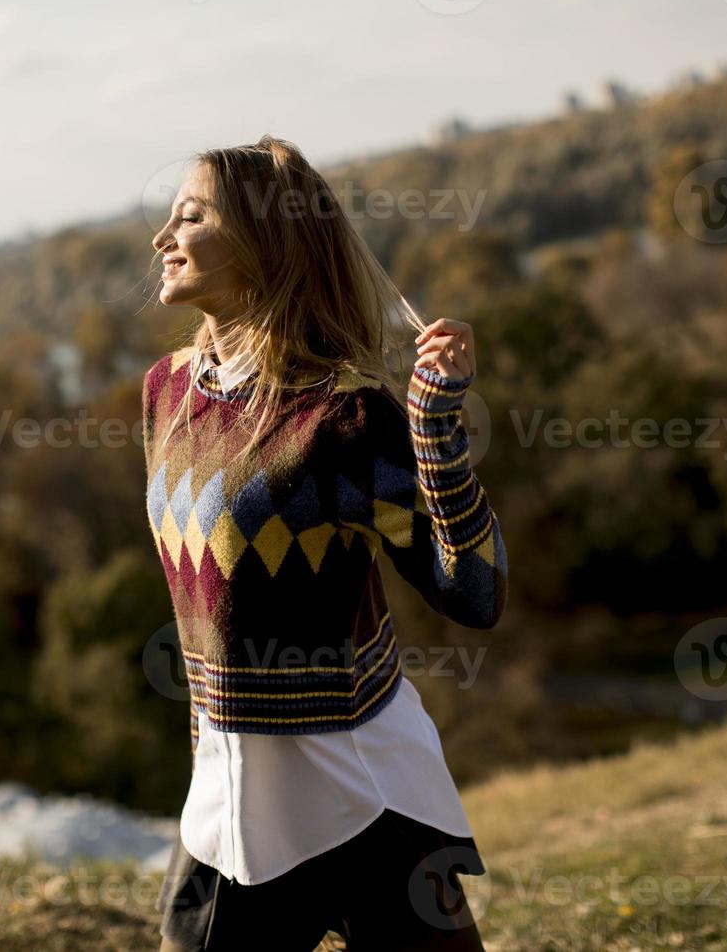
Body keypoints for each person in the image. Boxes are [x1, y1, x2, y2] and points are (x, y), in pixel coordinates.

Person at [142, 135, 508, 952]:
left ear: (263, 243)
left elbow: (475, 593)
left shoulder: (344, 419)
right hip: (228, 793)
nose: (162, 237)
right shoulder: (165, 392)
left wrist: (435, 434)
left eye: (191, 216)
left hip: (360, 793)